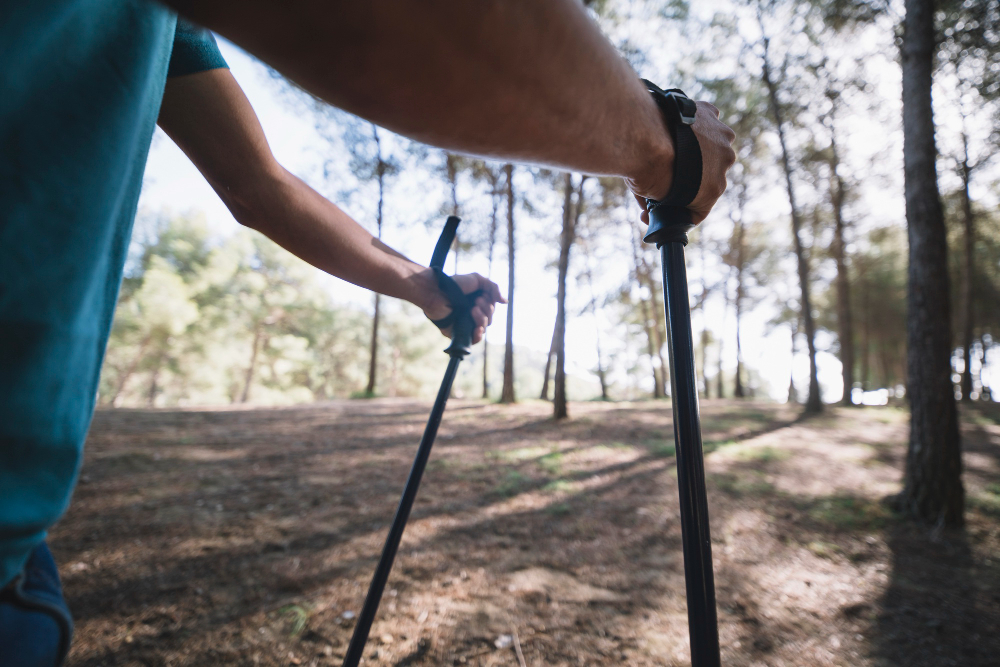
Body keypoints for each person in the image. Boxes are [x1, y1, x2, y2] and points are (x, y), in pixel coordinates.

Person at [0, 1, 736, 664]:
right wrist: (661, 140)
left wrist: (423, 285)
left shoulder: (153, 22)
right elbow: (398, 26)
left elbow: (259, 183)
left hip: (20, 552)